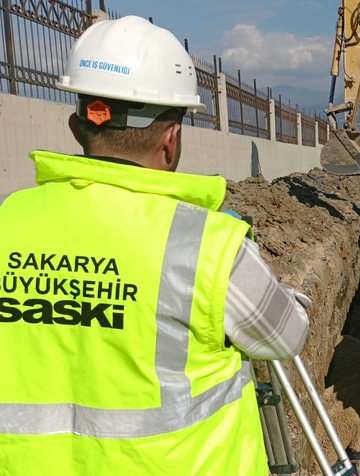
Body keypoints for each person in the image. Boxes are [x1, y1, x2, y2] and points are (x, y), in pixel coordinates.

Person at [0, 16, 309, 476]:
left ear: (76, 126)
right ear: (171, 139)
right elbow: (288, 334)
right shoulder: (207, 245)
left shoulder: (8, 218)